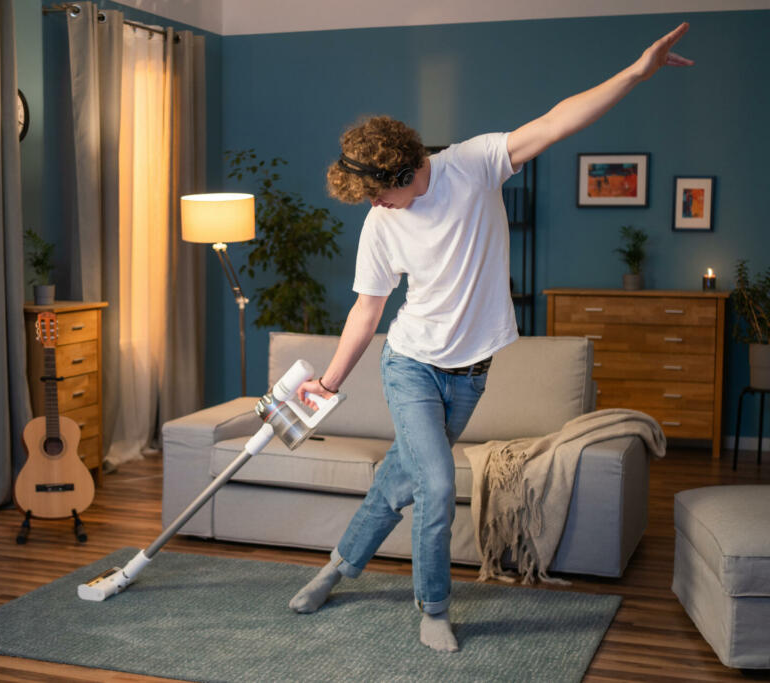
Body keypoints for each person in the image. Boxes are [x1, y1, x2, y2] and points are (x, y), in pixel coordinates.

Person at [288, 23, 694, 652]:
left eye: (383, 193)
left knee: (400, 481)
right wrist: (329, 382)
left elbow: (558, 121)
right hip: (411, 365)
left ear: (413, 167)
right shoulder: (381, 224)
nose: (380, 205)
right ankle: (434, 608)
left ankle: (335, 567)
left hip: (470, 375)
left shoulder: (473, 165)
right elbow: (368, 311)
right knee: (439, 485)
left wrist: (637, 73)